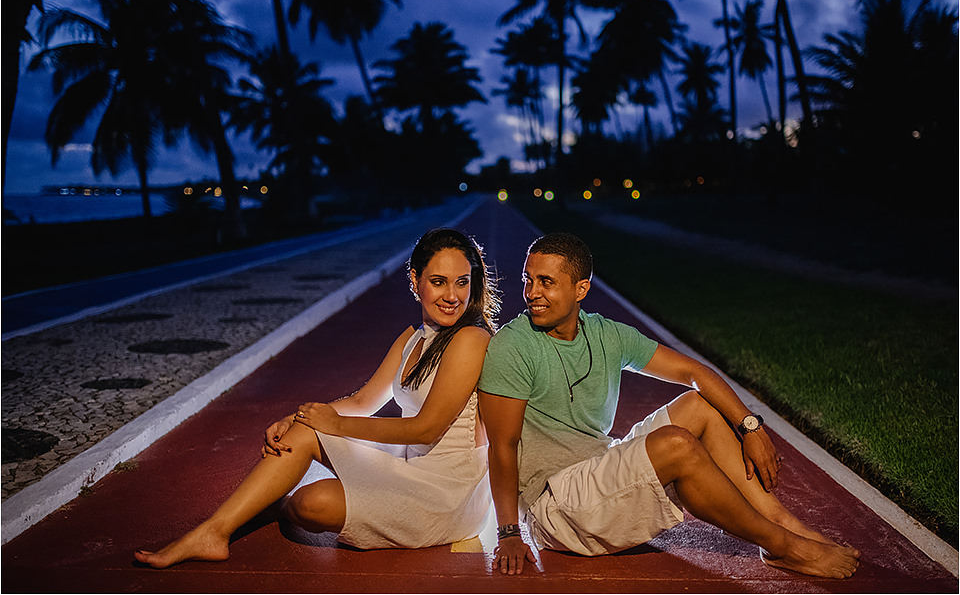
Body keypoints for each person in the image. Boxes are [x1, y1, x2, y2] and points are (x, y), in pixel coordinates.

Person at [478, 232, 860, 578]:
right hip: (554, 505)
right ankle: (783, 546)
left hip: (598, 467)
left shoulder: (605, 333)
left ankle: (777, 519)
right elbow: (503, 445)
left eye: (546, 281)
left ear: (581, 289)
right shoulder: (514, 346)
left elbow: (694, 373)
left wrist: (750, 426)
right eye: (529, 279)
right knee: (677, 445)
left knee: (701, 406)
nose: (531, 292)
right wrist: (509, 532)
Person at [135, 228, 500, 568]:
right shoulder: (411, 338)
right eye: (438, 282)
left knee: (311, 503)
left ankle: (271, 501)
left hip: (445, 494)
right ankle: (214, 531)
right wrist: (296, 420)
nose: (452, 296)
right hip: (408, 465)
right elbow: (362, 401)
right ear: (415, 281)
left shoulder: (470, 339)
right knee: (303, 430)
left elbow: (426, 428)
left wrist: (336, 424)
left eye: (462, 282)